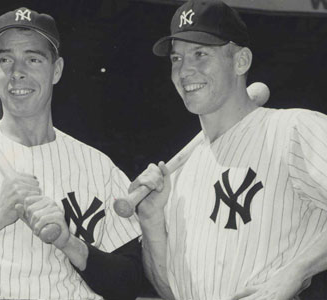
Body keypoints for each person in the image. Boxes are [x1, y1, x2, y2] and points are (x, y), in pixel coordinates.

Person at [0, 7, 145, 300]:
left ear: (56, 70)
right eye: (5, 59)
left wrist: (68, 242)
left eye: (33, 59)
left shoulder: (98, 167)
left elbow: (129, 284)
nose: (17, 72)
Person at [131, 0, 327, 299]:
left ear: (240, 61)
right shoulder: (179, 174)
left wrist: (294, 272)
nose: (185, 70)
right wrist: (151, 221)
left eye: (200, 54)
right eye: (176, 58)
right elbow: (170, 291)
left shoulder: (292, 130)